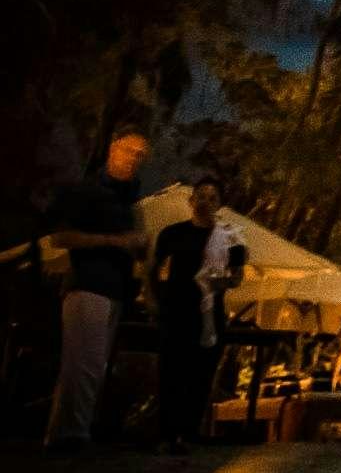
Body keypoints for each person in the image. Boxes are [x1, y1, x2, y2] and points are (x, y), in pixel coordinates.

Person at [43, 127, 151, 452]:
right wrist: (114, 241)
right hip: (86, 284)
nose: (134, 159)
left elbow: (137, 248)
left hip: (115, 290)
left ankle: (68, 433)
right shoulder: (88, 192)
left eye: (141, 155)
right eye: (129, 150)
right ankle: (70, 435)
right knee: (83, 363)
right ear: (113, 148)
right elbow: (60, 237)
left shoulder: (131, 202)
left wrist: (140, 246)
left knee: (94, 365)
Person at [146, 178, 246, 453]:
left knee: (200, 374)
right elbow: (152, 268)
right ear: (191, 202)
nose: (205, 202)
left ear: (219, 204)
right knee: (170, 371)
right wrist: (152, 300)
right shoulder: (173, 233)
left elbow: (237, 277)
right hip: (176, 310)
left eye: (212, 198)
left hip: (209, 313)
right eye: (200, 196)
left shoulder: (230, 238)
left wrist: (215, 282)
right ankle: (166, 434)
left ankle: (188, 433)